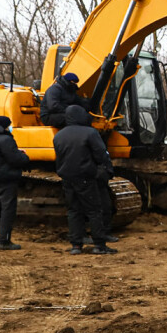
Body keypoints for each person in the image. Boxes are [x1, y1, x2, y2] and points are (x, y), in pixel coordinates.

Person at [53, 104, 118, 254]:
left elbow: (59, 158)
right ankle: (99, 245)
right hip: (86, 177)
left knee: (73, 210)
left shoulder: (59, 135)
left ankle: (76, 245)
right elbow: (100, 153)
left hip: (67, 177)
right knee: (94, 210)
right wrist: (106, 170)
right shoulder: (90, 133)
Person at [0, 115, 30, 250]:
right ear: (5, 126)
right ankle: (4, 240)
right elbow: (16, 159)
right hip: (7, 178)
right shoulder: (6, 139)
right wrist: (24, 156)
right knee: (8, 210)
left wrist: (15, 152)